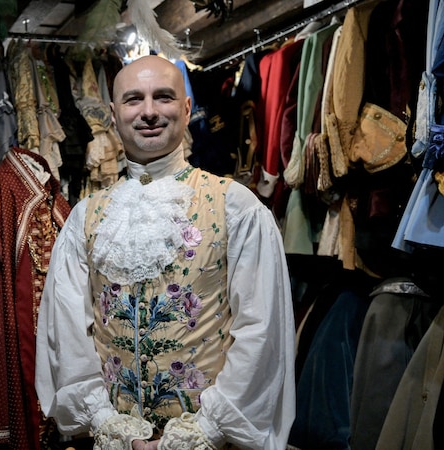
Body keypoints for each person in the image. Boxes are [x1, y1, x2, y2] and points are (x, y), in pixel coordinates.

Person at [34, 55, 296, 449]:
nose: (150, 112)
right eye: (134, 99)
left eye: (164, 97)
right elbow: (67, 331)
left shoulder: (235, 206)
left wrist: (205, 431)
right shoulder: (86, 217)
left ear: (187, 108)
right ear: (113, 112)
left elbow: (262, 331)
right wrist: (107, 422)